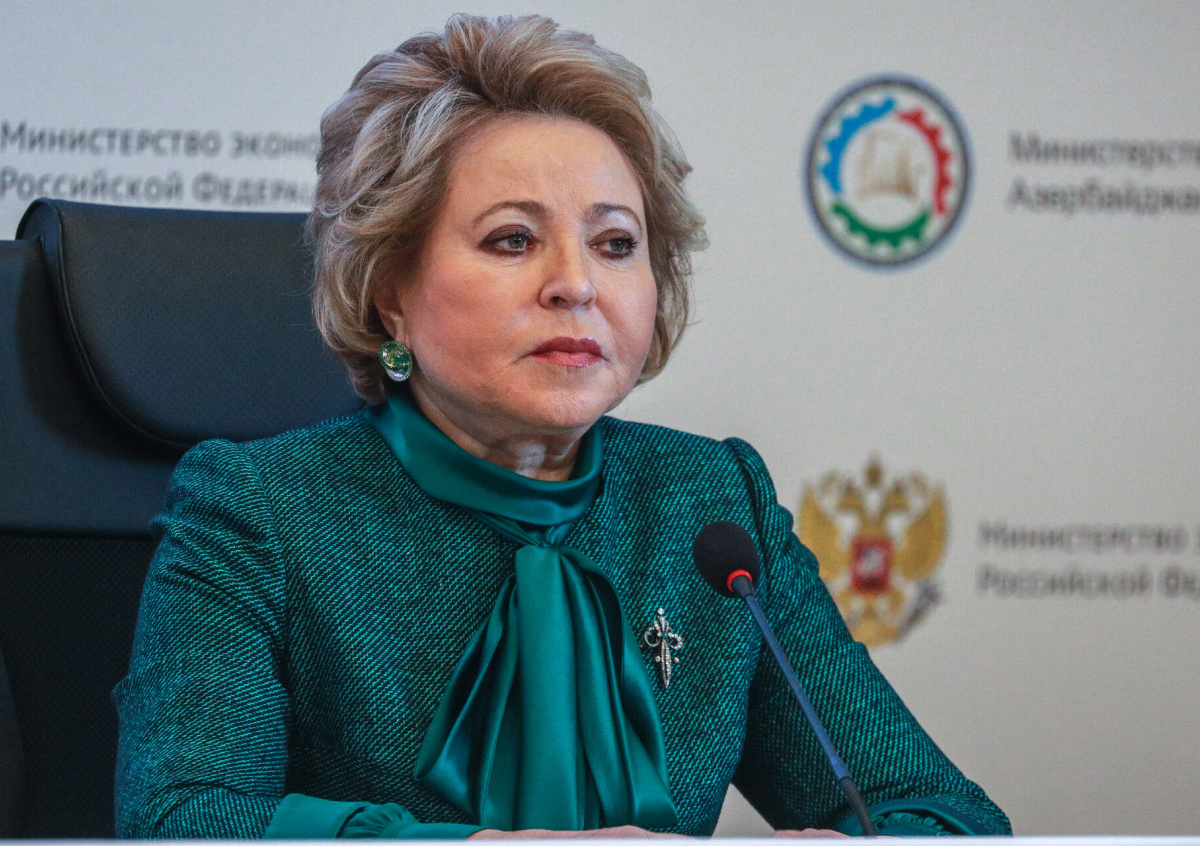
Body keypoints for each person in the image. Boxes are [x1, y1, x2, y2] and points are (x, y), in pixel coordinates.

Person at [114, 14, 1010, 840]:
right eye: (513, 239)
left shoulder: (710, 505)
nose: (576, 284)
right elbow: (182, 819)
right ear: (389, 293)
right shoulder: (262, 511)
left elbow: (946, 815)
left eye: (615, 244)